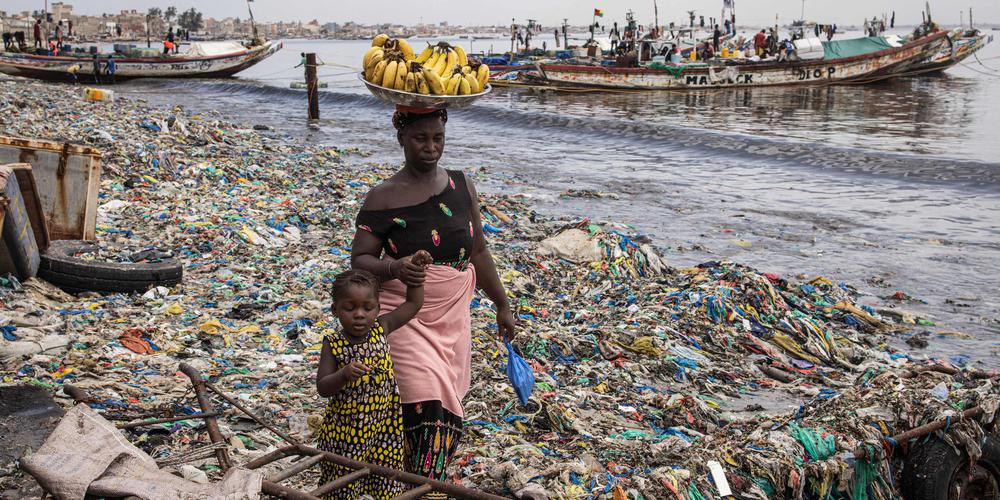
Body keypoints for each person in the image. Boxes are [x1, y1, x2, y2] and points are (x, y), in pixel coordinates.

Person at [351, 107, 517, 485]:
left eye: (437, 138)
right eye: (420, 138)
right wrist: (395, 268)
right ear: (401, 139)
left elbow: (477, 251)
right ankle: (426, 487)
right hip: (404, 312)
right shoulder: (383, 197)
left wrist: (502, 304)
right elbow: (359, 260)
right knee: (428, 405)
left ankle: (412, 481)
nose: (430, 147)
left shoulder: (462, 185)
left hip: (452, 316)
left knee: (446, 408)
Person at [316, 257, 429, 500]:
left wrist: (416, 271)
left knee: (386, 482)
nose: (359, 315)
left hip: (385, 427)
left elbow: (413, 303)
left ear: (378, 309)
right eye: (350, 308)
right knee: (343, 486)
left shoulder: (381, 328)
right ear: (335, 310)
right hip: (346, 431)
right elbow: (323, 387)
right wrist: (343, 374)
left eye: (367, 308)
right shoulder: (333, 344)